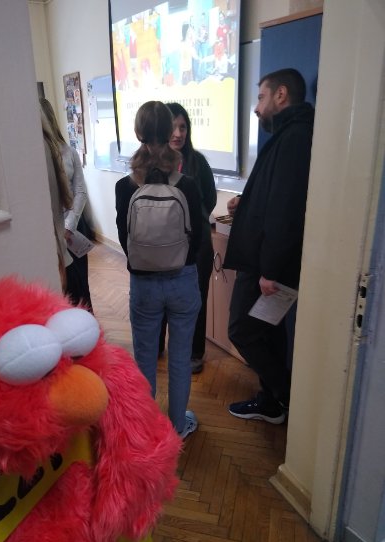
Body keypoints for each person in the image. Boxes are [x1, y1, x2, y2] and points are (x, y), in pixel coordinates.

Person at [223, 68, 315, 424]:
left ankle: (285, 394)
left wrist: (270, 271)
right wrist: (244, 204)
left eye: (261, 97)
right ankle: (271, 403)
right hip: (266, 262)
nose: (256, 107)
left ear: (280, 95)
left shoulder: (295, 137)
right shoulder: (289, 134)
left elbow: (286, 209)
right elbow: (273, 195)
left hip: (267, 266)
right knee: (269, 330)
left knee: (241, 331)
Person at [115, 101, 202, 439]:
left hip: (144, 285)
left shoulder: (125, 186)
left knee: (145, 360)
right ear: (170, 132)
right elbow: (196, 239)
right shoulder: (187, 184)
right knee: (180, 359)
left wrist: (146, 261)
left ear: (138, 133)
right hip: (183, 281)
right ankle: (178, 426)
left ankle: (147, 430)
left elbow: (125, 238)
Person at [158, 103, 217, 374]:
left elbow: (210, 199)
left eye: (183, 127)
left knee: (196, 298)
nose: (178, 133)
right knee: (162, 294)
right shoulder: (154, 162)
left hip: (198, 243)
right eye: (173, 127)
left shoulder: (198, 162)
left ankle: (195, 353)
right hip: (163, 244)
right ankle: (158, 345)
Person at [39, 98, 93, 312]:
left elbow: (80, 191)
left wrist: (69, 226)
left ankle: (87, 324)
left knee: (80, 287)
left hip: (73, 228)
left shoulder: (69, 152)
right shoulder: (34, 157)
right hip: (52, 231)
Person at [40, 108, 73, 290]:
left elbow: (79, 192)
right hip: (58, 233)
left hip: (67, 227)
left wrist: (70, 225)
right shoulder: (46, 149)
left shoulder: (65, 151)